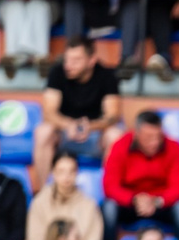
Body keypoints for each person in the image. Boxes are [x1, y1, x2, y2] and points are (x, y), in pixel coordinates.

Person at [36, 37, 123, 183]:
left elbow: (112, 116)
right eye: (67, 59)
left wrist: (90, 126)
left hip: (95, 135)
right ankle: (45, 193)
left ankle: (109, 195)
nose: (68, 65)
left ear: (91, 60)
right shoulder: (57, 72)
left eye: (76, 60)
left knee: (115, 135)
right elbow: (48, 113)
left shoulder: (107, 76)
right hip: (64, 133)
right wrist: (68, 125)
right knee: (43, 132)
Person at [103, 110, 179, 240]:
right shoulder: (120, 145)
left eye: (158, 137)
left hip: (161, 204)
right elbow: (110, 186)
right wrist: (134, 199)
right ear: (136, 134)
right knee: (109, 208)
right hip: (130, 204)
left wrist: (156, 201)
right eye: (149, 137)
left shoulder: (174, 147)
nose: (155, 142)